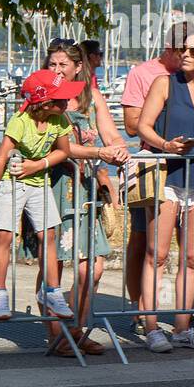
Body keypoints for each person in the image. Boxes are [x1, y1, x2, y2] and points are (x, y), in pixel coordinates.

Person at [0, 70, 120, 322]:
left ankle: (52, 290)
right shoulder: (20, 122)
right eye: (61, 99)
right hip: (13, 183)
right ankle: (0, 293)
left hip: (38, 182)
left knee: (49, 235)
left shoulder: (59, 121)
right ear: (44, 102)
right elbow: (1, 158)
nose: (67, 103)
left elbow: (63, 151)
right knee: (4, 235)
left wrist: (38, 164)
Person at [136, 22, 194, 354]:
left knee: (193, 257)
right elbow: (142, 127)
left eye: (193, 51)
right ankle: (150, 327)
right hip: (167, 174)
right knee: (156, 255)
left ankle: (183, 327)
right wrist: (165, 144)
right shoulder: (164, 83)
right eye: (182, 50)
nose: (185, 55)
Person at [44, 40, 129, 356]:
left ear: (78, 67)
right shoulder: (45, 98)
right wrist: (99, 152)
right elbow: (60, 147)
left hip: (85, 189)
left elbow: (112, 133)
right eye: (52, 64)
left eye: (63, 65)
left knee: (92, 265)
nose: (56, 70)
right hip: (52, 183)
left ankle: (75, 329)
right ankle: (58, 332)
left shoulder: (92, 98)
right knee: (52, 262)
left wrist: (119, 149)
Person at [119, 38, 184, 330]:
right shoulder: (142, 74)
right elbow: (133, 125)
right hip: (154, 165)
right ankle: (138, 307)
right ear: (170, 48)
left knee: (187, 245)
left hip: (189, 167)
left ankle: (185, 311)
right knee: (143, 239)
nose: (191, 57)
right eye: (187, 51)